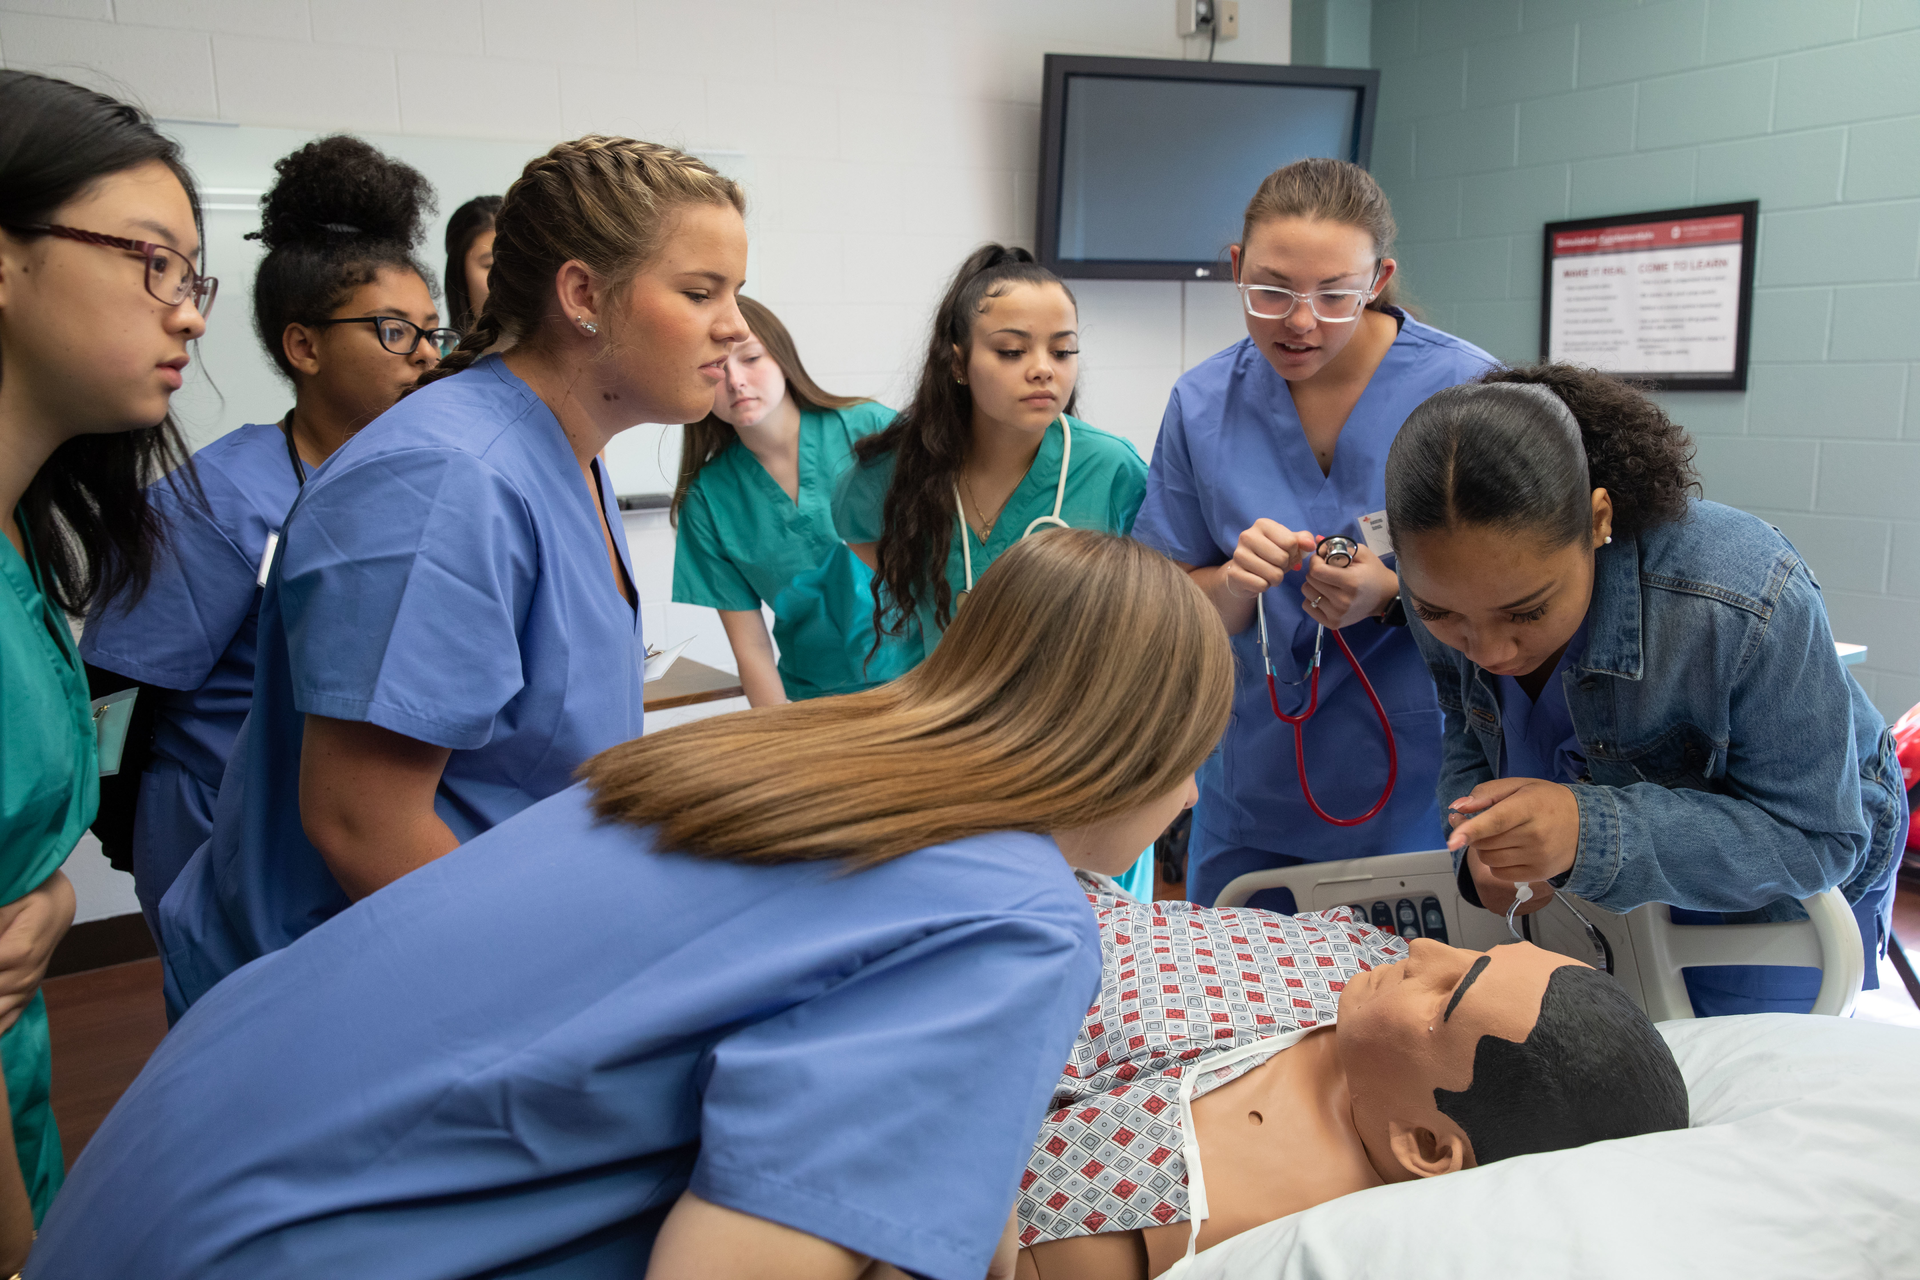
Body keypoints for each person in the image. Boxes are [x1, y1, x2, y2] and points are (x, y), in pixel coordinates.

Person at [32, 531, 1235, 1280]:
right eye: (1194, 760)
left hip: (142, 1191)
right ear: (1140, 751)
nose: (1188, 795)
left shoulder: (753, 762)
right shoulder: (1019, 911)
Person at [157, 136, 747, 1016]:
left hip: (493, 931)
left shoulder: (569, 458)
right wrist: (560, 996)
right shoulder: (445, 479)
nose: (735, 325)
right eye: (701, 293)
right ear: (584, 296)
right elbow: (363, 823)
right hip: (356, 994)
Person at [1386, 365, 1907, 1016]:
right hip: (1606, 883)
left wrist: (1589, 832)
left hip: (1792, 874)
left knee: (1741, 1066)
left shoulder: (1740, 598)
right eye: (1442, 616)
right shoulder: (1437, 582)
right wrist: (1478, 843)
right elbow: (1468, 726)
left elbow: (1817, 838)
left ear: (1597, 520)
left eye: (1525, 613)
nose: (1488, 651)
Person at [80, 135, 446, 945]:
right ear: (304, 346)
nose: (424, 356)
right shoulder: (216, 501)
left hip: (338, 822)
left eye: (431, 331)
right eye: (394, 331)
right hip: (213, 825)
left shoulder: (421, 485)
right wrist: (123, 834)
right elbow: (111, 690)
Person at [1131, 159, 1496, 909]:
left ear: (1379, 279)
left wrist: (1392, 594)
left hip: (1430, 792)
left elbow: (1528, 597)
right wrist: (1233, 583)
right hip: (1259, 792)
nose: (1300, 321)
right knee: (1241, 1014)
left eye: (1335, 295)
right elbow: (1163, 603)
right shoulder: (1203, 405)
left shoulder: (1467, 394)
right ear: (1235, 268)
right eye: (1271, 290)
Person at [1014, 880, 1688, 1278]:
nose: (1423, 949)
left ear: (1424, 1147)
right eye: (1473, 952)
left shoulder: (1180, 1200)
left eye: (1447, 993)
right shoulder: (1362, 966)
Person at [0, 71, 214, 1235]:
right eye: (150, 263)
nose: (186, 311)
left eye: (191, 278)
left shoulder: (28, 539)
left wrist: (39, 893)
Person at [835, 244, 1149, 663]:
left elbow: (1157, 608)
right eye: (1012, 351)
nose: (1043, 369)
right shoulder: (902, 465)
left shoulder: (1113, 470)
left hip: (1071, 723)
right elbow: (859, 527)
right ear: (958, 363)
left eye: (1062, 351)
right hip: (948, 713)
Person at [671, 296, 913, 704]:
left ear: (782, 358)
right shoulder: (708, 501)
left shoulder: (872, 432)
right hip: (815, 701)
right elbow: (752, 649)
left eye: (751, 358)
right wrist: (778, 745)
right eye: (717, 368)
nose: (736, 381)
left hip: (932, 680)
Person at [444, 193, 501, 334]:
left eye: (517, 263)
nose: (509, 277)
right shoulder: (435, 355)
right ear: (459, 274)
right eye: (490, 265)